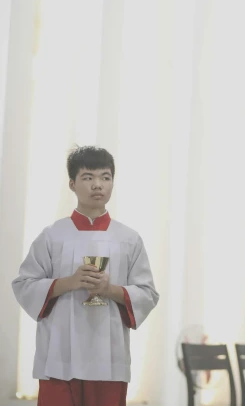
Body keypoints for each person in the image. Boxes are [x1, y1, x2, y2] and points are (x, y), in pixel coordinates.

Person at [12, 146, 159, 406]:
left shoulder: (129, 239)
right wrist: (68, 283)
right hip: (58, 355)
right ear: (72, 183)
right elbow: (24, 285)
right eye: (88, 177)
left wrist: (109, 289)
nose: (98, 185)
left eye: (105, 177)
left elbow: (147, 293)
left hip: (108, 356)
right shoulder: (52, 236)